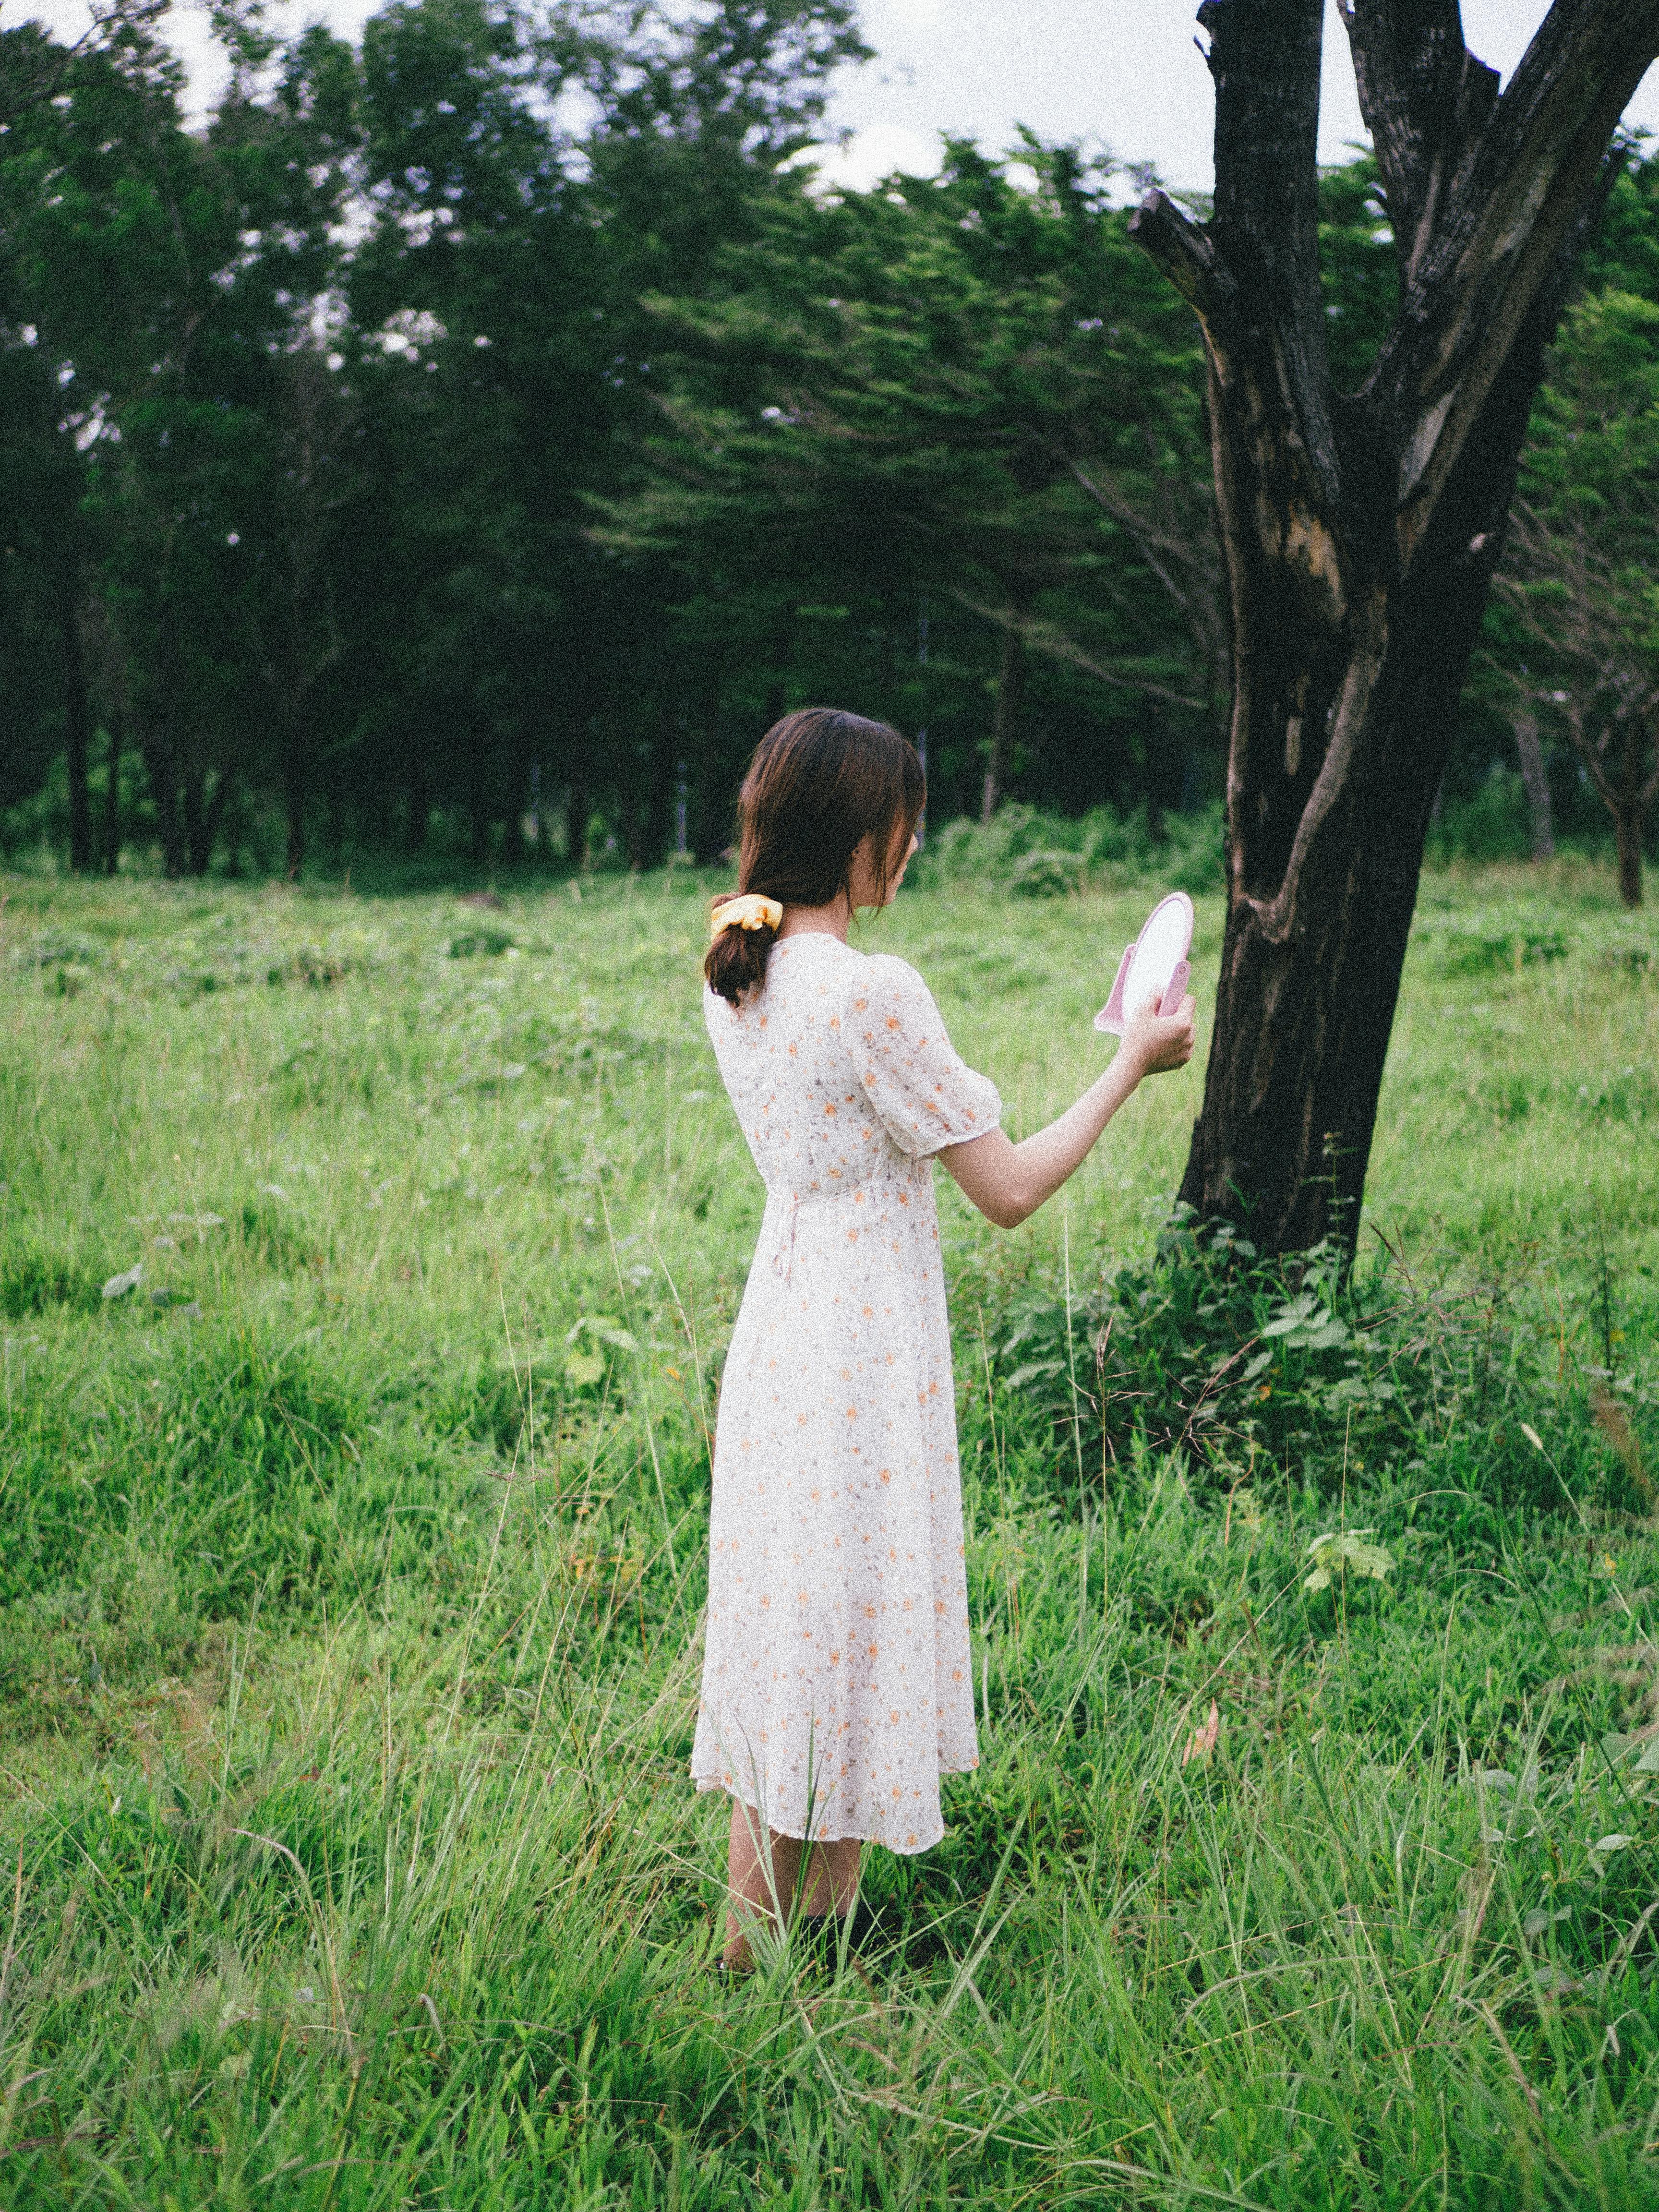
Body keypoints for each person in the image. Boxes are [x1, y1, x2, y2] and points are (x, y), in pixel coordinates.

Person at [695, 708, 1196, 1970]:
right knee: (855, 1622)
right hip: (861, 1346)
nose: (909, 851)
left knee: (794, 1623)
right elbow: (1010, 1187)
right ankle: (819, 1949)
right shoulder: (871, 993)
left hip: (784, 1324)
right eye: (905, 828)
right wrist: (1132, 1060)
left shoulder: (736, 962)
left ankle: (753, 1945)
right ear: (872, 839)